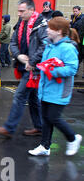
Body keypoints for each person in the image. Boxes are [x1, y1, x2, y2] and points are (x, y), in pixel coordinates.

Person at [0, 0, 47, 138]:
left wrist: (31, 62)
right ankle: (40, 127)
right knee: (33, 99)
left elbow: (45, 46)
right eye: (18, 11)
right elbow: (13, 42)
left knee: (20, 96)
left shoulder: (41, 25)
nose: (19, 14)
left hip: (33, 68)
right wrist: (19, 56)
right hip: (25, 65)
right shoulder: (21, 23)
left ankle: (9, 128)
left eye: (22, 11)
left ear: (32, 10)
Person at [28, 17, 82, 156]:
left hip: (59, 91)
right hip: (46, 89)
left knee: (53, 117)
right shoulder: (49, 45)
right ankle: (45, 146)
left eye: (50, 28)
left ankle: (73, 138)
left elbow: (72, 69)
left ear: (58, 31)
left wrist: (51, 70)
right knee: (45, 118)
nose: (47, 30)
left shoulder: (68, 48)